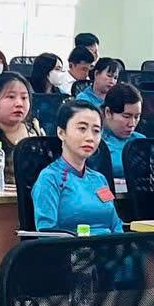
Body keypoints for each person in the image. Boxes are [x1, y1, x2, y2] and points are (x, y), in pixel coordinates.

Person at [32, 100, 121, 235]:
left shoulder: (99, 179)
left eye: (96, 131)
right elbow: (47, 234)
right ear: (61, 133)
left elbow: (116, 225)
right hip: (73, 248)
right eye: (82, 129)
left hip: (110, 247)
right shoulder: (49, 178)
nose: (90, 137)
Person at [97, 84, 142, 176]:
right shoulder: (96, 143)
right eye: (126, 116)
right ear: (108, 112)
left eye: (137, 117)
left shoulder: (141, 141)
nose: (132, 124)